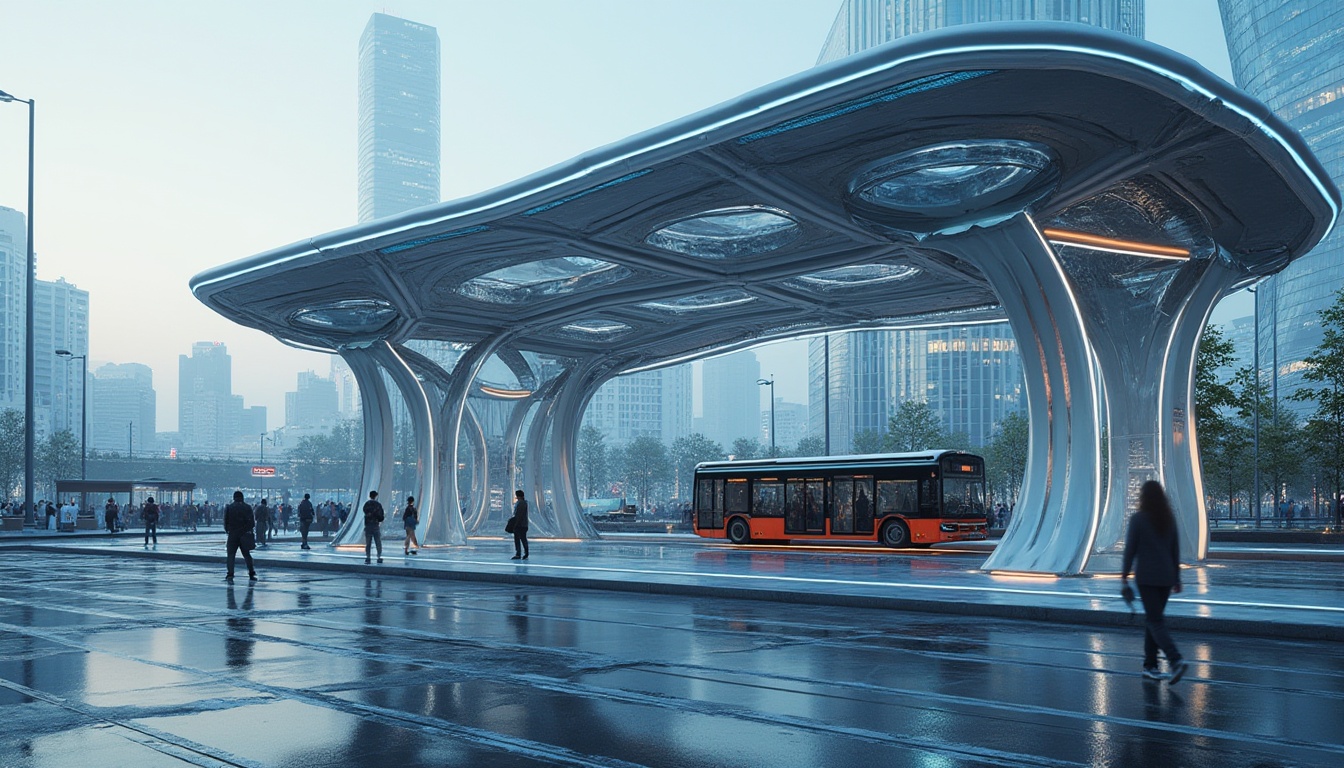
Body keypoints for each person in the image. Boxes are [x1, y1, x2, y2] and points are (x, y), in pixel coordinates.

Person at [1121, 479, 1187, 684]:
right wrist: (1177, 578)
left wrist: (1123, 576)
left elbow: (1130, 549)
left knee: (1155, 621)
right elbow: (1175, 550)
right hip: (1166, 577)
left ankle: (1175, 659)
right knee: (1154, 618)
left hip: (1147, 577)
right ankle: (1150, 666)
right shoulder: (1168, 519)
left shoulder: (1138, 519)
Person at [223, 490, 257, 583]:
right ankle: (251, 572)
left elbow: (225, 522)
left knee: (231, 555)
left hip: (233, 534)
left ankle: (230, 574)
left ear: (234, 498)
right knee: (246, 555)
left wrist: (229, 531)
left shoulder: (229, 507)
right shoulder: (247, 507)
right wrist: (245, 530)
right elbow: (252, 523)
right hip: (244, 534)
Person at [362, 491, 385, 564]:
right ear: (376, 496)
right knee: (377, 542)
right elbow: (381, 517)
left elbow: (365, 512)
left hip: (368, 525)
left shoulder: (366, 504)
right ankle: (378, 557)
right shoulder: (378, 505)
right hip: (375, 525)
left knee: (368, 543)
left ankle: (368, 557)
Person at [510, 489, 529, 560]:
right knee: (523, 539)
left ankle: (519, 553)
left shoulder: (520, 503)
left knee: (518, 539)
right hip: (523, 525)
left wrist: (515, 524)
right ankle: (525, 552)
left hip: (520, 525)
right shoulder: (524, 503)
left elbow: (518, 515)